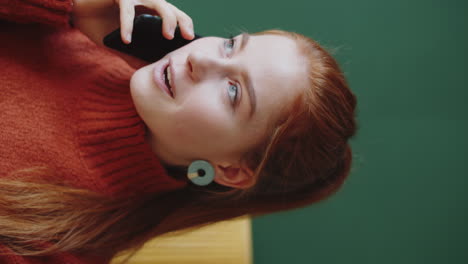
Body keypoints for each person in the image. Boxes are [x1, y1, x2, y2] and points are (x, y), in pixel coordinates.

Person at [0, 0, 358, 263]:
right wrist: (72, 7)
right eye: (231, 45)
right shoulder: (71, 27)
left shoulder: (64, 240)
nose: (200, 58)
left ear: (232, 170)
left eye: (233, 91)